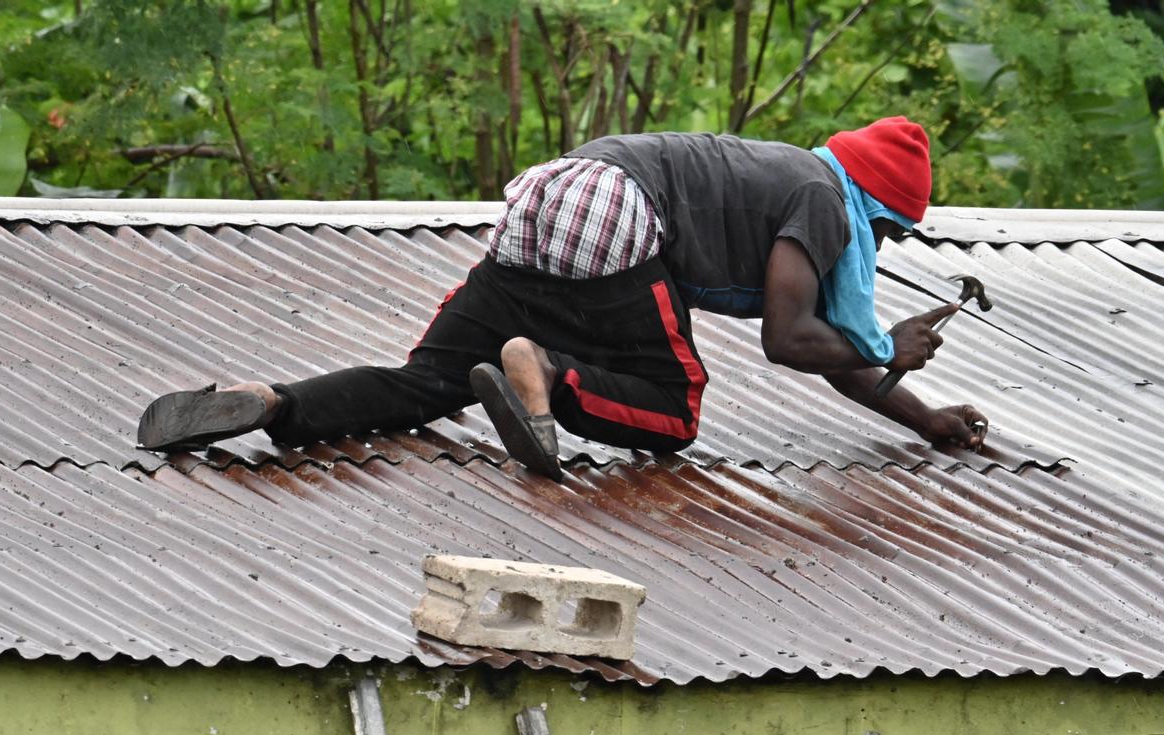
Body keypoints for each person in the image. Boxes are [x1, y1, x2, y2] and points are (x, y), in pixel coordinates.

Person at [138, 117, 988, 480]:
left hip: (553, 193)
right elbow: (789, 338)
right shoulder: (821, 197)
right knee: (674, 412)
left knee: (428, 382)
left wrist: (925, 418)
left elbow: (828, 347)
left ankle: (271, 402)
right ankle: (544, 370)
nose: (879, 250)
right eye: (890, 233)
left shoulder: (792, 175)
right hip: (620, 214)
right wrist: (886, 346)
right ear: (873, 207)